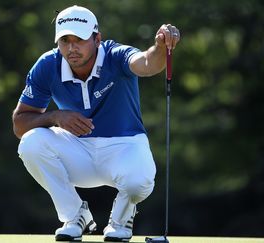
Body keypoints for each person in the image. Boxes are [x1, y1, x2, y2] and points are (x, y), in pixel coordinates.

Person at [12, 5, 180, 242]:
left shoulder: (115, 55)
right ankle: (74, 217)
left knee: (137, 183)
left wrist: (161, 48)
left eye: (79, 39)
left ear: (97, 38)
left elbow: (146, 64)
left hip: (124, 146)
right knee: (31, 143)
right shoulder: (47, 65)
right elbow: (20, 124)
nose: (71, 48)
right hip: (76, 151)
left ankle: (121, 221)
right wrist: (55, 117)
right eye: (65, 40)